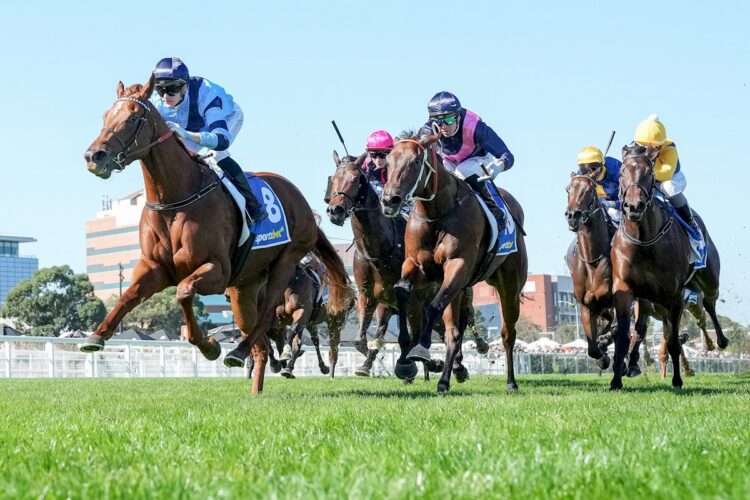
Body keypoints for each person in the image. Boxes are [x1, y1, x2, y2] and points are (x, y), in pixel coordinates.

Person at [150, 57, 266, 224]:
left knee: (215, 155)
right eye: (160, 90)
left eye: (173, 89)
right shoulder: (157, 102)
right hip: (192, 125)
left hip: (225, 119)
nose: (166, 95)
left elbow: (221, 140)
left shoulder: (207, 94)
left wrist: (187, 135)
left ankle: (253, 204)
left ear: (185, 86)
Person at [419, 91, 513, 230]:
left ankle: (494, 209)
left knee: (462, 170)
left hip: (478, 159)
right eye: (438, 121)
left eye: (449, 120)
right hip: (450, 161)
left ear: (458, 117)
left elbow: (507, 155)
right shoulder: (428, 130)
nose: (443, 126)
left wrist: (498, 167)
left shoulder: (476, 127)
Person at [576, 146, 622, 224]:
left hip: (619, 206)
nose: (589, 173)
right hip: (598, 206)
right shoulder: (581, 175)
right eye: (584, 169)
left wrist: (612, 204)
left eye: (593, 168)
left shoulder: (617, 170)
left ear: (602, 165)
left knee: (614, 213)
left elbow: (632, 199)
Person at [362, 130, 393, 195]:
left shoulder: (399, 166)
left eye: (382, 155)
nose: (378, 160)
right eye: (373, 155)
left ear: (391, 152)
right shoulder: (364, 164)